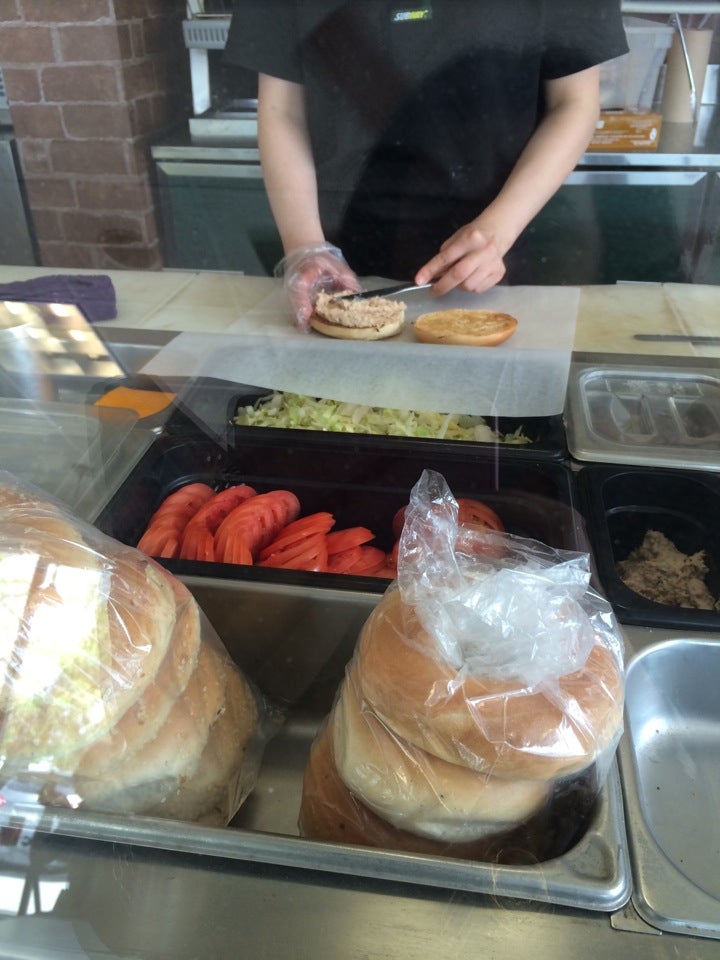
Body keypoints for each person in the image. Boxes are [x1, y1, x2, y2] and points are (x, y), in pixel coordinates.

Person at [225, 1, 628, 328]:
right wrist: (306, 248)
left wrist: (498, 231)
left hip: (507, 241)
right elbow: (281, 111)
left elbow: (574, 102)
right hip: (340, 252)